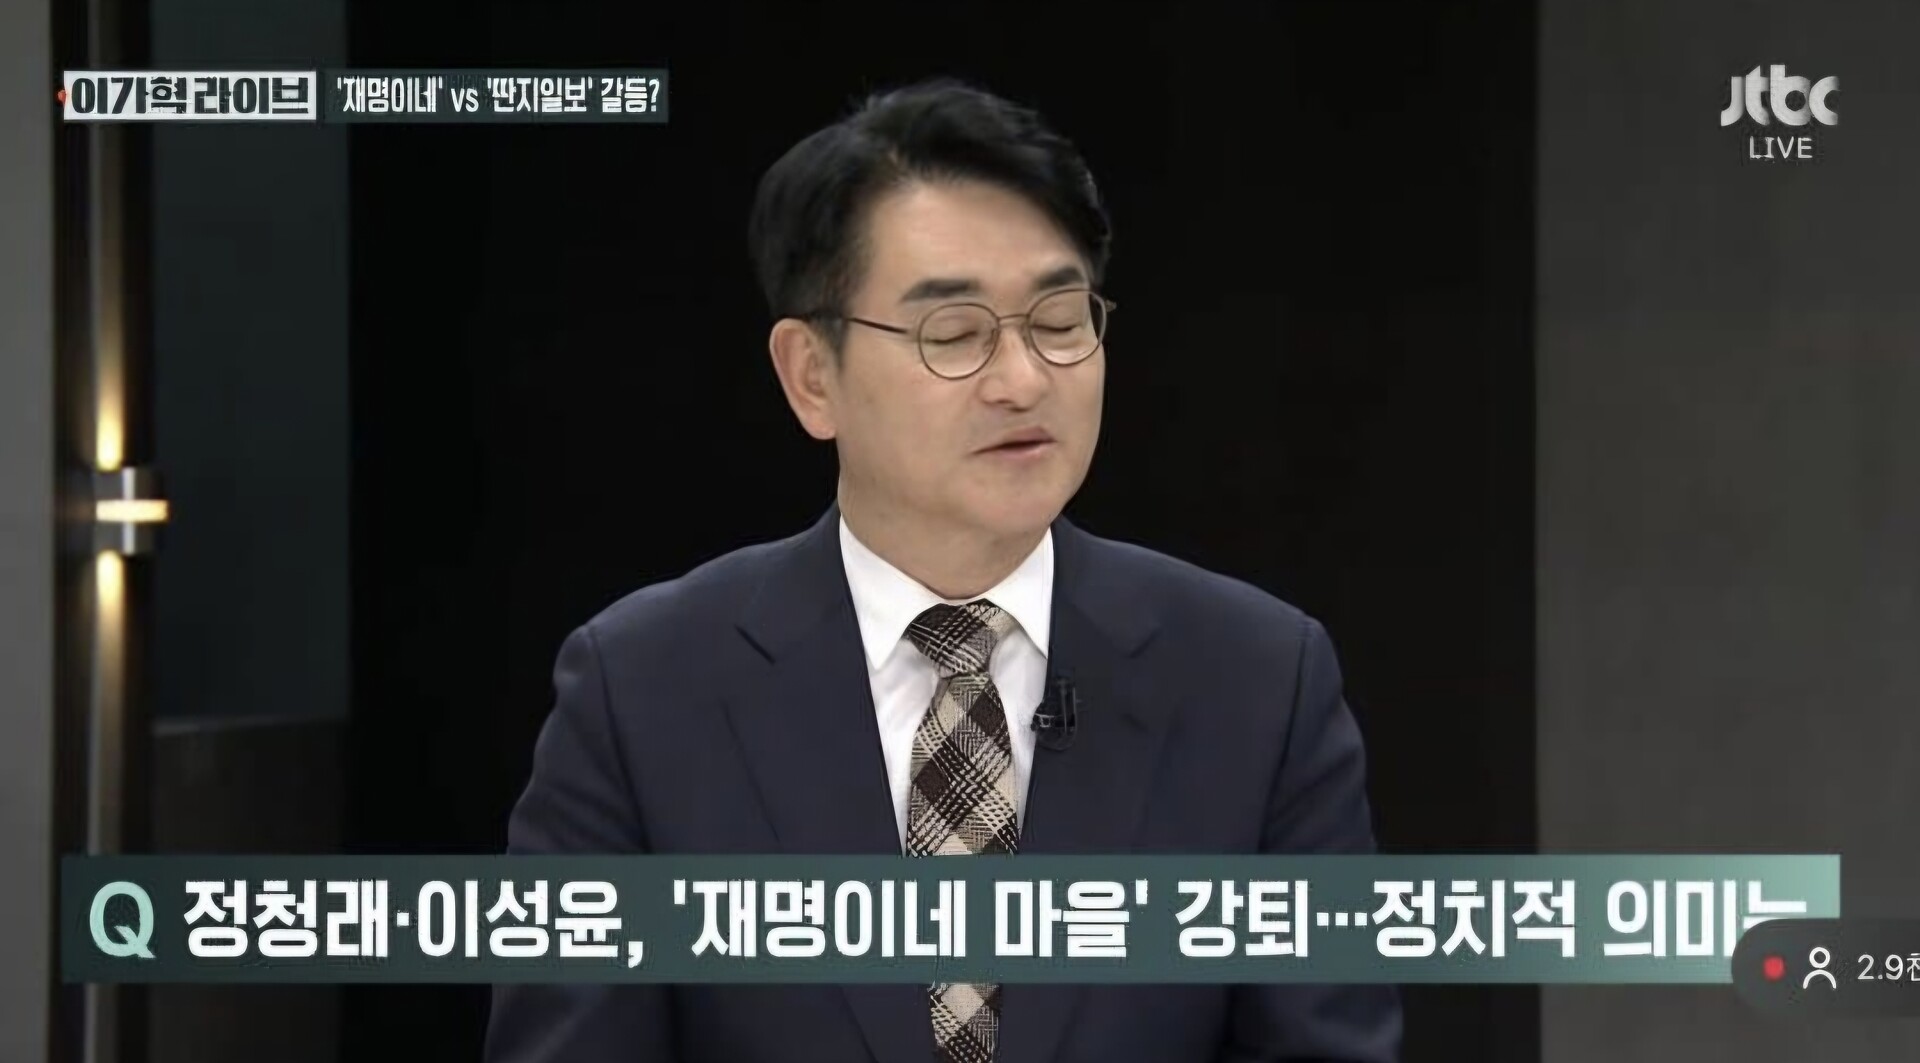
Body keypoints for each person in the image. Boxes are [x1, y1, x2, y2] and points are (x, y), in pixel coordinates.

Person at [485, 78, 1401, 1063]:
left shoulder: (1257, 682)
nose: (1023, 380)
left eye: (1060, 320)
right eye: (955, 334)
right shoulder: (641, 692)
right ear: (811, 375)